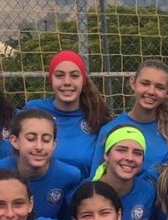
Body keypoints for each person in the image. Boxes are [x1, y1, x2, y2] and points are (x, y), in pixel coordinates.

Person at [24, 50, 112, 178]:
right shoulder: (33, 110)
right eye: (59, 75)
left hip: (85, 190)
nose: (67, 82)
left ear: (83, 80)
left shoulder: (98, 117)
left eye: (74, 76)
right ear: (51, 80)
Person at [0, 108, 81, 220]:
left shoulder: (70, 176)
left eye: (46, 140)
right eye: (31, 139)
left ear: (54, 144)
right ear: (15, 141)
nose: (39, 146)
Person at [91, 59, 168, 171]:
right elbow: (96, 176)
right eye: (145, 84)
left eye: (159, 87)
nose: (151, 91)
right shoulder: (110, 129)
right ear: (133, 83)